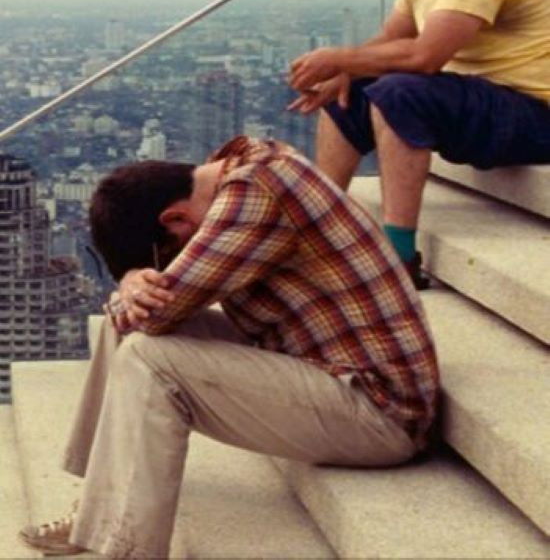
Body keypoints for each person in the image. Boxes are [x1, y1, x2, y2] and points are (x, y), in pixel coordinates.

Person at [20, 135, 438, 559]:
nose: (173, 265)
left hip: (379, 412)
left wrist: (132, 285)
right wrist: (131, 284)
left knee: (148, 353)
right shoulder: (235, 166)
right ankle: (97, 506)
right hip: (316, 364)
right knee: (124, 330)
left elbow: (156, 313)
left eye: (165, 258)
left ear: (175, 220)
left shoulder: (255, 196)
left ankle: (127, 549)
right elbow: (136, 317)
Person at [289, 0, 550, 280]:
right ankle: (316, 231)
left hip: (534, 112)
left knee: (400, 93)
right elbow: (394, 37)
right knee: (349, 89)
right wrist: (345, 72)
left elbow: (425, 56)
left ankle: (400, 260)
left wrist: (340, 59)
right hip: (481, 100)